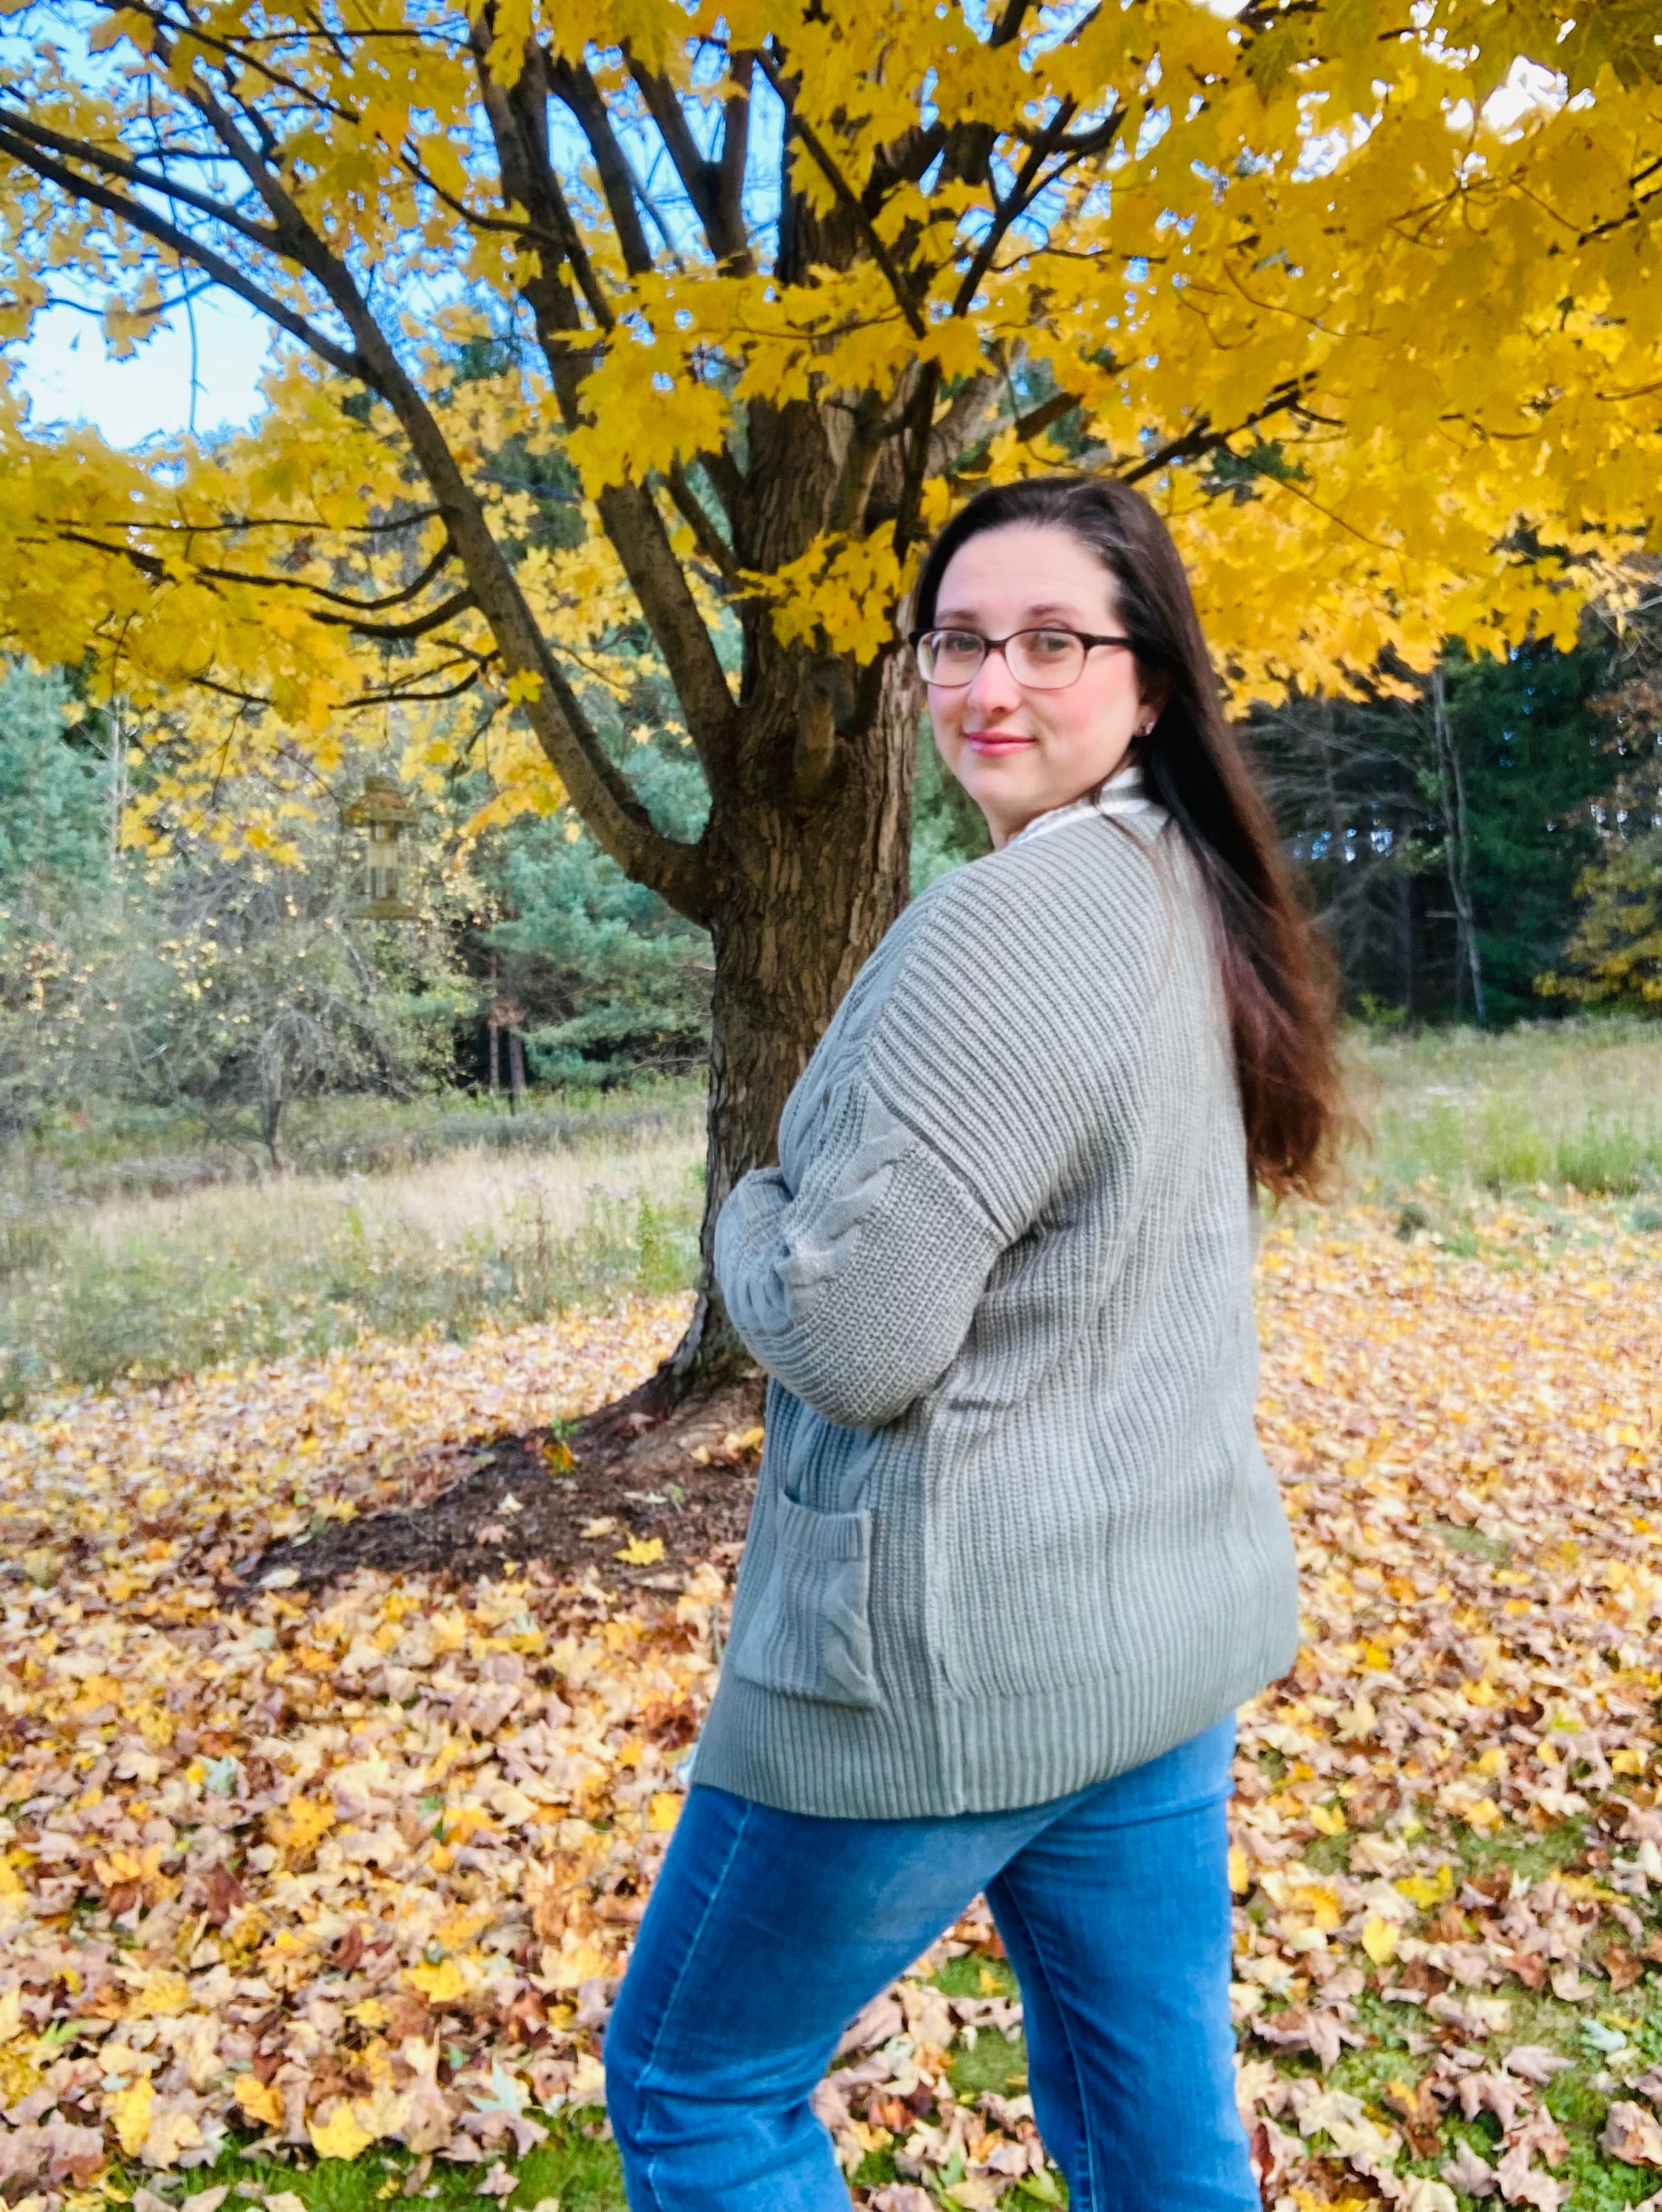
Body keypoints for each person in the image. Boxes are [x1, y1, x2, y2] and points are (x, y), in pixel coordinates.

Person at [605, 474, 1342, 2210]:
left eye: (1049, 641)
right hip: (1148, 1632)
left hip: (943, 1655)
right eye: (954, 641)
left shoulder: (1005, 921)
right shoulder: (1179, 887)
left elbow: (854, 1338)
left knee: (694, 2081)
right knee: (1151, 2113)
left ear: (1146, 679)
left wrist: (741, 1211)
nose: (987, 684)